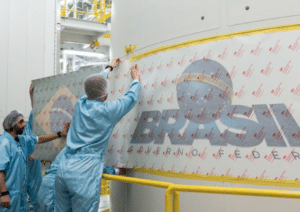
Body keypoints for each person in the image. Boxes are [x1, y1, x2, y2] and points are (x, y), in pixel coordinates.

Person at [54, 59, 141, 212]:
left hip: (64, 169)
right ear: (105, 93)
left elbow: (94, 85)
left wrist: (109, 68)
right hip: (84, 173)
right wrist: (136, 79)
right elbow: (130, 99)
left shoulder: (81, 103)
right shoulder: (107, 110)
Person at [0, 89, 71, 211]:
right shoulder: (4, 143)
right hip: (10, 196)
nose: (24, 124)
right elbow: (0, 171)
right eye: (21, 122)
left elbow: (39, 139)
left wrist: (60, 134)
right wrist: (3, 194)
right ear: (11, 125)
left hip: (20, 196)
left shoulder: (21, 139)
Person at [38, 145, 124, 212]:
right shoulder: (86, 148)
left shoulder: (71, 146)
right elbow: (96, 166)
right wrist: (116, 171)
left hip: (47, 186)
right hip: (56, 189)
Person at [22, 86, 43, 212]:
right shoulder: (8, 141)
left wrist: (32, 96)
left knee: (38, 199)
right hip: (20, 170)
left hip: (33, 168)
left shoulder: (30, 129)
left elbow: (35, 113)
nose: (23, 123)